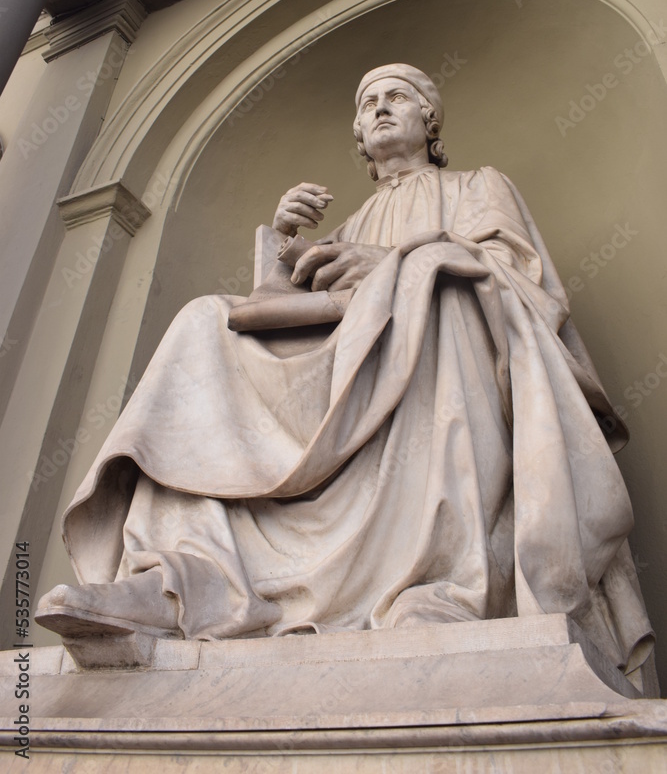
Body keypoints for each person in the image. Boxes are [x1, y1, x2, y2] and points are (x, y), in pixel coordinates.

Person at [37, 64, 654, 686]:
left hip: (443, 349)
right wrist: (284, 241)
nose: (381, 109)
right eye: (368, 104)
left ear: (429, 120)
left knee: (441, 289)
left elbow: (518, 280)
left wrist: (397, 266)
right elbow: (278, 317)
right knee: (204, 321)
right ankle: (181, 581)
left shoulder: (476, 186)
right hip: (340, 372)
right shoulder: (349, 227)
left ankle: (438, 587)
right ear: (359, 132)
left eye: (398, 98)